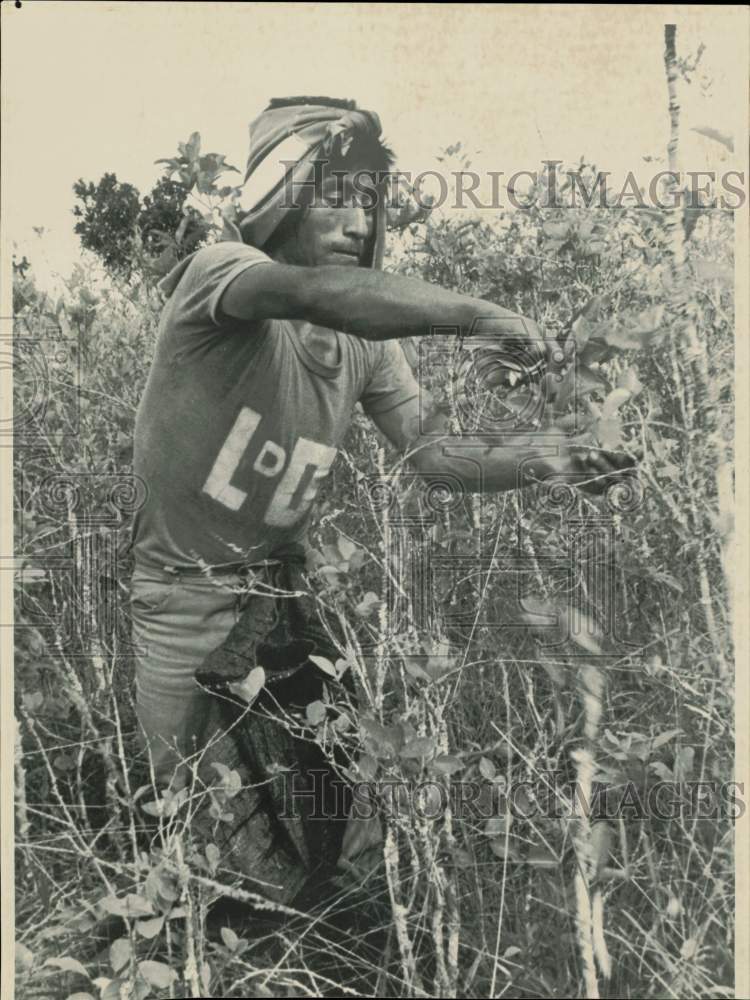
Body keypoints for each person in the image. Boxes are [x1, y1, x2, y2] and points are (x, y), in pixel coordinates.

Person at [130, 95, 632, 855]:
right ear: (283, 198)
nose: (359, 222)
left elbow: (436, 455)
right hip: (177, 595)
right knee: (180, 819)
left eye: (368, 201)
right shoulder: (223, 275)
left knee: (338, 798)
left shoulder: (364, 348)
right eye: (335, 195)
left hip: (277, 592)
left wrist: (554, 456)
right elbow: (315, 293)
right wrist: (482, 315)